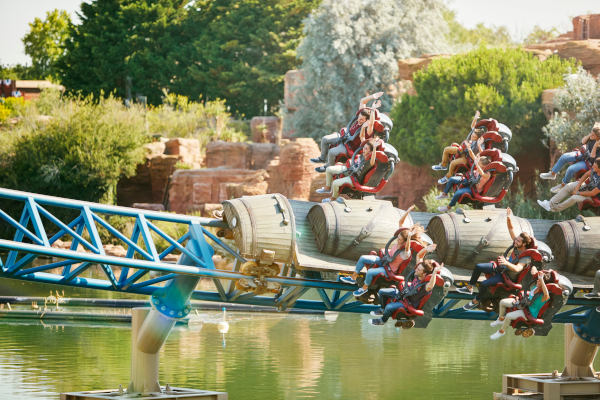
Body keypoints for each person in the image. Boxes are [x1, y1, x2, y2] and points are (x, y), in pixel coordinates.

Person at [459, 207, 533, 310]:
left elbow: (517, 269)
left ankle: (476, 301)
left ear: (524, 244)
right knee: (478, 266)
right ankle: (469, 287)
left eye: (518, 241)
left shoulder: (526, 257)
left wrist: (506, 263)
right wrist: (508, 217)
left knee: (484, 284)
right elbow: (511, 229)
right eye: (516, 239)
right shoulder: (517, 244)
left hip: (507, 276)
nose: (515, 241)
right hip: (502, 268)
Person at [311, 92, 384, 172]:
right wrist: (373, 96)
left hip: (348, 146)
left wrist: (373, 109)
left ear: (367, 120)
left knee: (331, 152)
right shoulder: (361, 117)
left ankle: (327, 167)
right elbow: (362, 101)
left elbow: (371, 123)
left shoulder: (368, 130)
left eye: (361, 119)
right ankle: (322, 158)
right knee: (324, 139)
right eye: (359, 118)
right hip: (344, 137)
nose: (358, 120)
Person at [368, 257, 443, 326]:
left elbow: (431, 285)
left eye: (419, 269)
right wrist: (426, 249)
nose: (416, 269)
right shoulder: (418, 274)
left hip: (408, 303)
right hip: (403, 295)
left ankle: (382, 321)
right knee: (381, 292)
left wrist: (434, 272)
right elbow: (419, 256)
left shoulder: (425, 286)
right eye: (417, 268)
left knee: (389, 307)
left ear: (424, 274)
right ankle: (382, 310)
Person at [489, 270, 551, 339]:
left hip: (529, 312)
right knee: (502, 302)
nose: (537, 281)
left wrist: (542, 280)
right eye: (538, 280)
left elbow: (546, 294)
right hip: (524, 304)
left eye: (539, 281)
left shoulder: (544, 297)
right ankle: (500, 319)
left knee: (508, 316)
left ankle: (501, 332)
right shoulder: (536, 287)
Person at [540, 123, 600, 194]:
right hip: (583, 155)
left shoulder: (598, 146)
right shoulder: (591, 138)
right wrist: (589, 135)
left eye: (593, 135)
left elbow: (592, 160)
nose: (591, 135)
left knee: (570, 169)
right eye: (591, 133)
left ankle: (563, 185)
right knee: (564, 157)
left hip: (587, 163)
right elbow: (582, 142)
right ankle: (552, 173)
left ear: (598, 137)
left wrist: (595, 147)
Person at [318, 137, 380, 203]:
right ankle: (328, 187)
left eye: (366, 149)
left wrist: (375, 148)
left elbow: (373, 159)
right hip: (350, 170)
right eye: (364, 147)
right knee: (328, 169)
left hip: (355, 178)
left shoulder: (369, 162)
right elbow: (362, 138)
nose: (363, 149)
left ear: (371, 152)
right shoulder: (363, 154)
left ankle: (333, 198)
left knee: (335, 183)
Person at [432, 110, 483, 184]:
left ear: (478, 138)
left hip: (468, 158)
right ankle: (443, 165)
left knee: (453, 163)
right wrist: (475, 118)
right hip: (464, 151)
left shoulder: (481, 143)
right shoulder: (475, 133)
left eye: (474, 137)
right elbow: (472, 126)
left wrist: (477, 145)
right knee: (447, 149)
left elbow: (482, 153)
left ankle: (447, 177)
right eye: (472, 135)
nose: (472, 137)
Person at [436, 144, 490, 213]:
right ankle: (444, 194)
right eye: (478, 164)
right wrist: (472, 148)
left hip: (473, 189)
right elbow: (474, 156)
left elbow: (482, 173)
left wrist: (477, 164)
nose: (477, 165)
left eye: (479, 164)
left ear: (484, 166)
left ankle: (448, 207)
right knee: (452, 179)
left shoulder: (487, 174)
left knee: (457, 193)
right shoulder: (480, 165)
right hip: (470, 181)